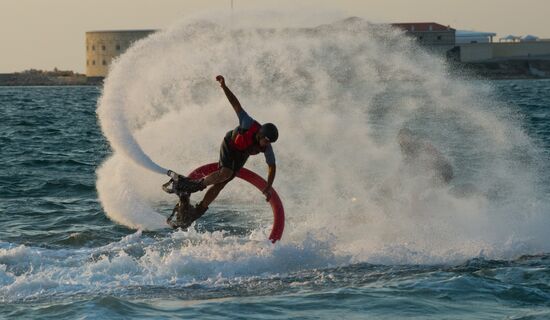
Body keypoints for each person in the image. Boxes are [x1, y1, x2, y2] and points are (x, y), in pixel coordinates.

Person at [168, 75, 278, 224]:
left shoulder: (267, 147)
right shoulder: (248, 123)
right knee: (225, 173)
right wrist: (224, 86)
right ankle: (194, 186)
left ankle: (198, 211)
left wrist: (268, 186)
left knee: (221, 184)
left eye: (268, 142)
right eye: (265, 140)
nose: (266, 144)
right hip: (230, 144)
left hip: (241, 154)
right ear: (261, 133)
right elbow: (236, 105)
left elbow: (272, 166)